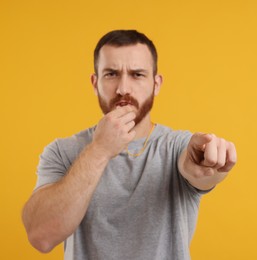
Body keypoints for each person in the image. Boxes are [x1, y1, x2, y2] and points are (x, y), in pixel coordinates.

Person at [22, 30, 237, 260]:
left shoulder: (177, 146)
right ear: (95, 83)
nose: (123, 88)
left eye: (137, 74)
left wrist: (209, 166)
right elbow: (41, 235)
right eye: (111, 73)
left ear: (156, 84)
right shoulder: (62, 152)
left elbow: (197, 171)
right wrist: (100, 150)